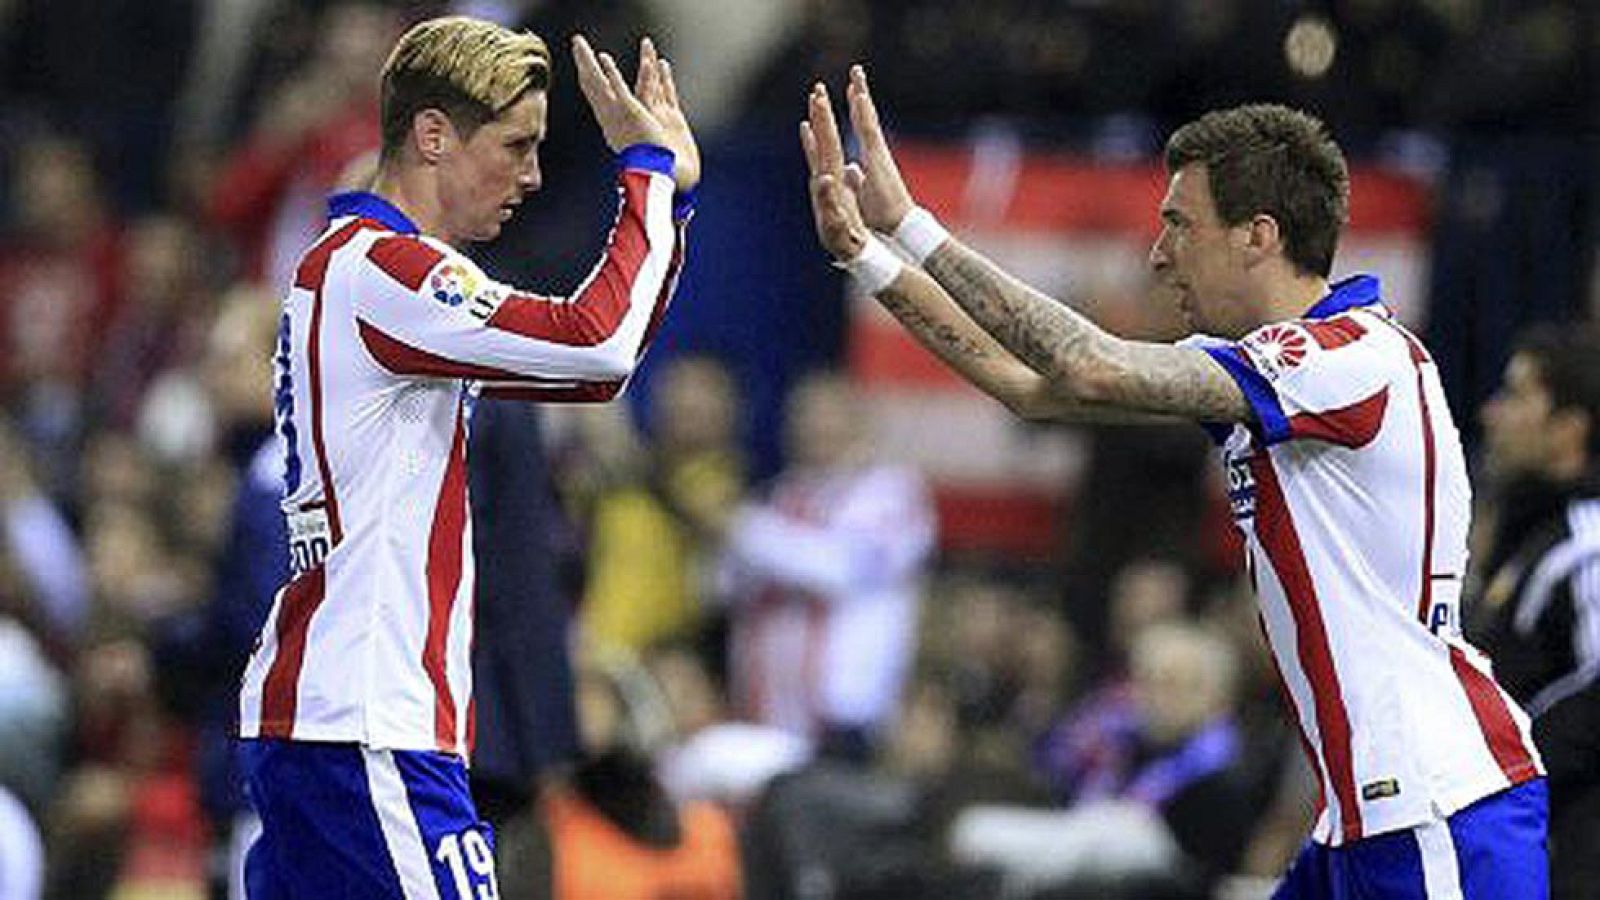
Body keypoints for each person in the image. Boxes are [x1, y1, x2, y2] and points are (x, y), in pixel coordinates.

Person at [801, 69, 1545, 897]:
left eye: (1179, 226)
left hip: (1438, 804)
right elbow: (1028, 387)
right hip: (1364, 816)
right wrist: (867, 257)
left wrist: (911, 224)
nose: (1159, 256)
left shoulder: (1348, 359)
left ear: (1257, 235)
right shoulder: (1266, 378)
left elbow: (1089, 362)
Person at [235, 16, 698, 899]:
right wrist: (645, 176)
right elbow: (594, 346)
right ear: (435, 135)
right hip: (369, 727)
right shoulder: (391, 273)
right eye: (517, 146)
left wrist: (667, 209)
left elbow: (589, 373)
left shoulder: (344, 273)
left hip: (327, 716)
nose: (531, 176)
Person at [718, 372, 936, 760]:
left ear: (858, 422)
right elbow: (723, 585)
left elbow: (843, 568)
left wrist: (739, 528)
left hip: (844, 718)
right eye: (805, 416)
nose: (815, 426)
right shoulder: (777, 495)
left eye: (827, 414)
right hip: (765, 711)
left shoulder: (891, 492)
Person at [1470, 325, 1600, 900]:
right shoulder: (1532, 541)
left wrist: (1503, 765)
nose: (1492, 411)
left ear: (1570, 427)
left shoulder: (1589, 541)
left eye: (1518, 395)